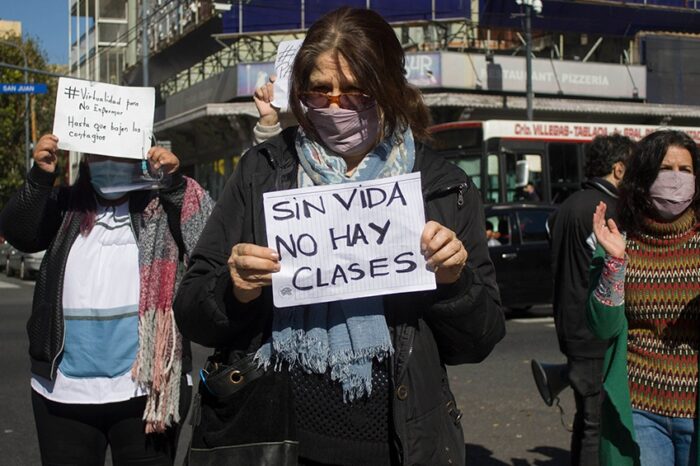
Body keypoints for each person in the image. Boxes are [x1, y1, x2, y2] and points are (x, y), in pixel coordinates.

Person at [173, 7, 505, 466]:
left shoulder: (444, 186)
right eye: (320, 90)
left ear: (389, 87)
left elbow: (479, 340)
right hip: (276, 443)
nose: (334, 107)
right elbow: (192, 310)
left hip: (400, 448)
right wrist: (235, 291)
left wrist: (455, 282)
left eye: (354, 92)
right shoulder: (262, 171)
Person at [0, 134, 213, 465]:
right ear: (86, 159)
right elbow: (20, 233)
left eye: (122, 154)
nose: (111, 163)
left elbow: (207, 240)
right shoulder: (64, 205)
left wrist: (174, 185)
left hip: (146, 395)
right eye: (99, 153)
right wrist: (40, 176)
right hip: (64, 395)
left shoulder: (163, 204)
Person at [587, 130, 700, 466]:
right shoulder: (618, 242)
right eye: (666, 168)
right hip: (640, 409)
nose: (676, 179)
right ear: (644, 176)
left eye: (686, 170)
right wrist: (614, 265)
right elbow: (602, 328)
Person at [548, 134, 635, 466]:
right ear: (618, 168)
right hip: (594, 330)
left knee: (586, 421)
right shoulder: (608, 211)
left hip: (567, 326)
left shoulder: (567, 205)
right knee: (598, 424)